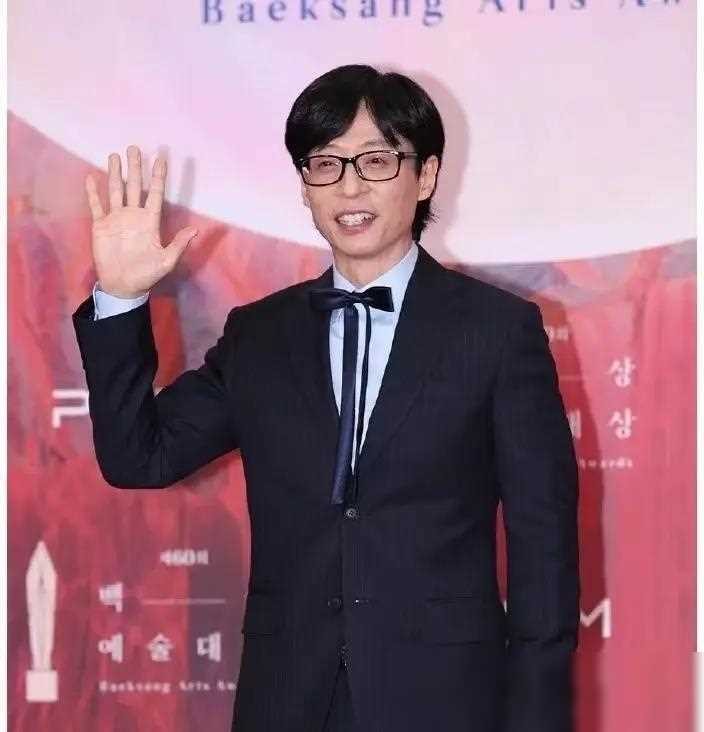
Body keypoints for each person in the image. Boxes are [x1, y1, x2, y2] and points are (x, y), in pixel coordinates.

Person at [72, 64, 580, 732]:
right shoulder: (260, 336)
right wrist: (121, 297)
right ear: (305, 186)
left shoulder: (495, 331)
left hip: (446, 700)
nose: (350, 186)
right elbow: (140, 457)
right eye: (325, 164)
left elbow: (544, 546)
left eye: (376, 160)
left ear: (426, 175)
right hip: (288, 700)